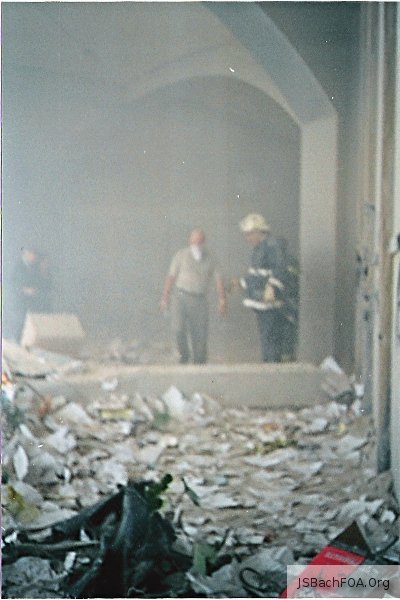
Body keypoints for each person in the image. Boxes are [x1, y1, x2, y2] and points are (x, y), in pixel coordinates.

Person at [160, 228, 226, 364]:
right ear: (189, 242)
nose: (197, 245)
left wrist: (222, 299)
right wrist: (165, 298)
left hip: (199, 299)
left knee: (200, 334)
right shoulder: (181, 255)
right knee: (178, 329)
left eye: (200, 242)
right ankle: (184, 356)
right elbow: (171, 277)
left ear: (204, 242)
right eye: (194, 242)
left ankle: (199, 363)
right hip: (180, 297)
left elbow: (218, 279)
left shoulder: (211, 257)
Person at [239, 213, 286, 362]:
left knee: (270, 336)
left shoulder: (272, 246)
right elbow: (257, 274)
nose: (248, 238)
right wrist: (241, 283)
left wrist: (272, 287)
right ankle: (269, 363)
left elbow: (279, 268)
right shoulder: (258, 249)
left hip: (270, 304)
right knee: (266, 336)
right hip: (261, 302)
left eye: (250, 234)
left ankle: (272, 366)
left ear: (259, 232)